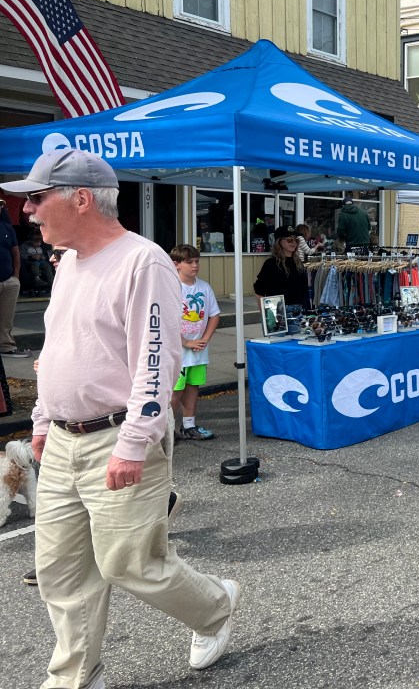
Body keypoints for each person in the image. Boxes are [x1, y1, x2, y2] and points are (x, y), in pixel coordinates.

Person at [9, 149, 240, 685]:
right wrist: (43, 420)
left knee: (130, 564)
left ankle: (215, 608)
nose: (30, 212)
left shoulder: (143, 261)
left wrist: (134, 442)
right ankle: (76, 676)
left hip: (115, 436)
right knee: (61, 572)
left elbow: (157, 360)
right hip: (64, 440)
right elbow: (58, 347)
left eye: (38, 198)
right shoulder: (68, 264)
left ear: (81, 199)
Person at [170, 244, 220, 441]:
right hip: (177, 352)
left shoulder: (204, 287)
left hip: (198, 350)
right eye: (189, 262)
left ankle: (188, 425)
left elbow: (214, 315)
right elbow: (165, 319)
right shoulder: (171, 287)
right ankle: (168, 430)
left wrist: (205, 339)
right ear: (176, 265)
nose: (195, 265)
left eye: (197, 261)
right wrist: (184, 342)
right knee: (175, 392)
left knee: (193, 388)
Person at [254, 225, 309, 307]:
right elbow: (259, 292)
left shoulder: (298, 263)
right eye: (289, 240)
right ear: (279, 241)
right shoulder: (271, 264)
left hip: (299, 314)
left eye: (296, 240)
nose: (294, 242)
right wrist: (266, 317)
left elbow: (304, 293)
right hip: (279, 314)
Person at [0, 202, 29, 358]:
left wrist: (16, 276)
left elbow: (15, 253)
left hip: (9, 280)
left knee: (6, 318)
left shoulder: (6, 228)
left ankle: (6, 346)